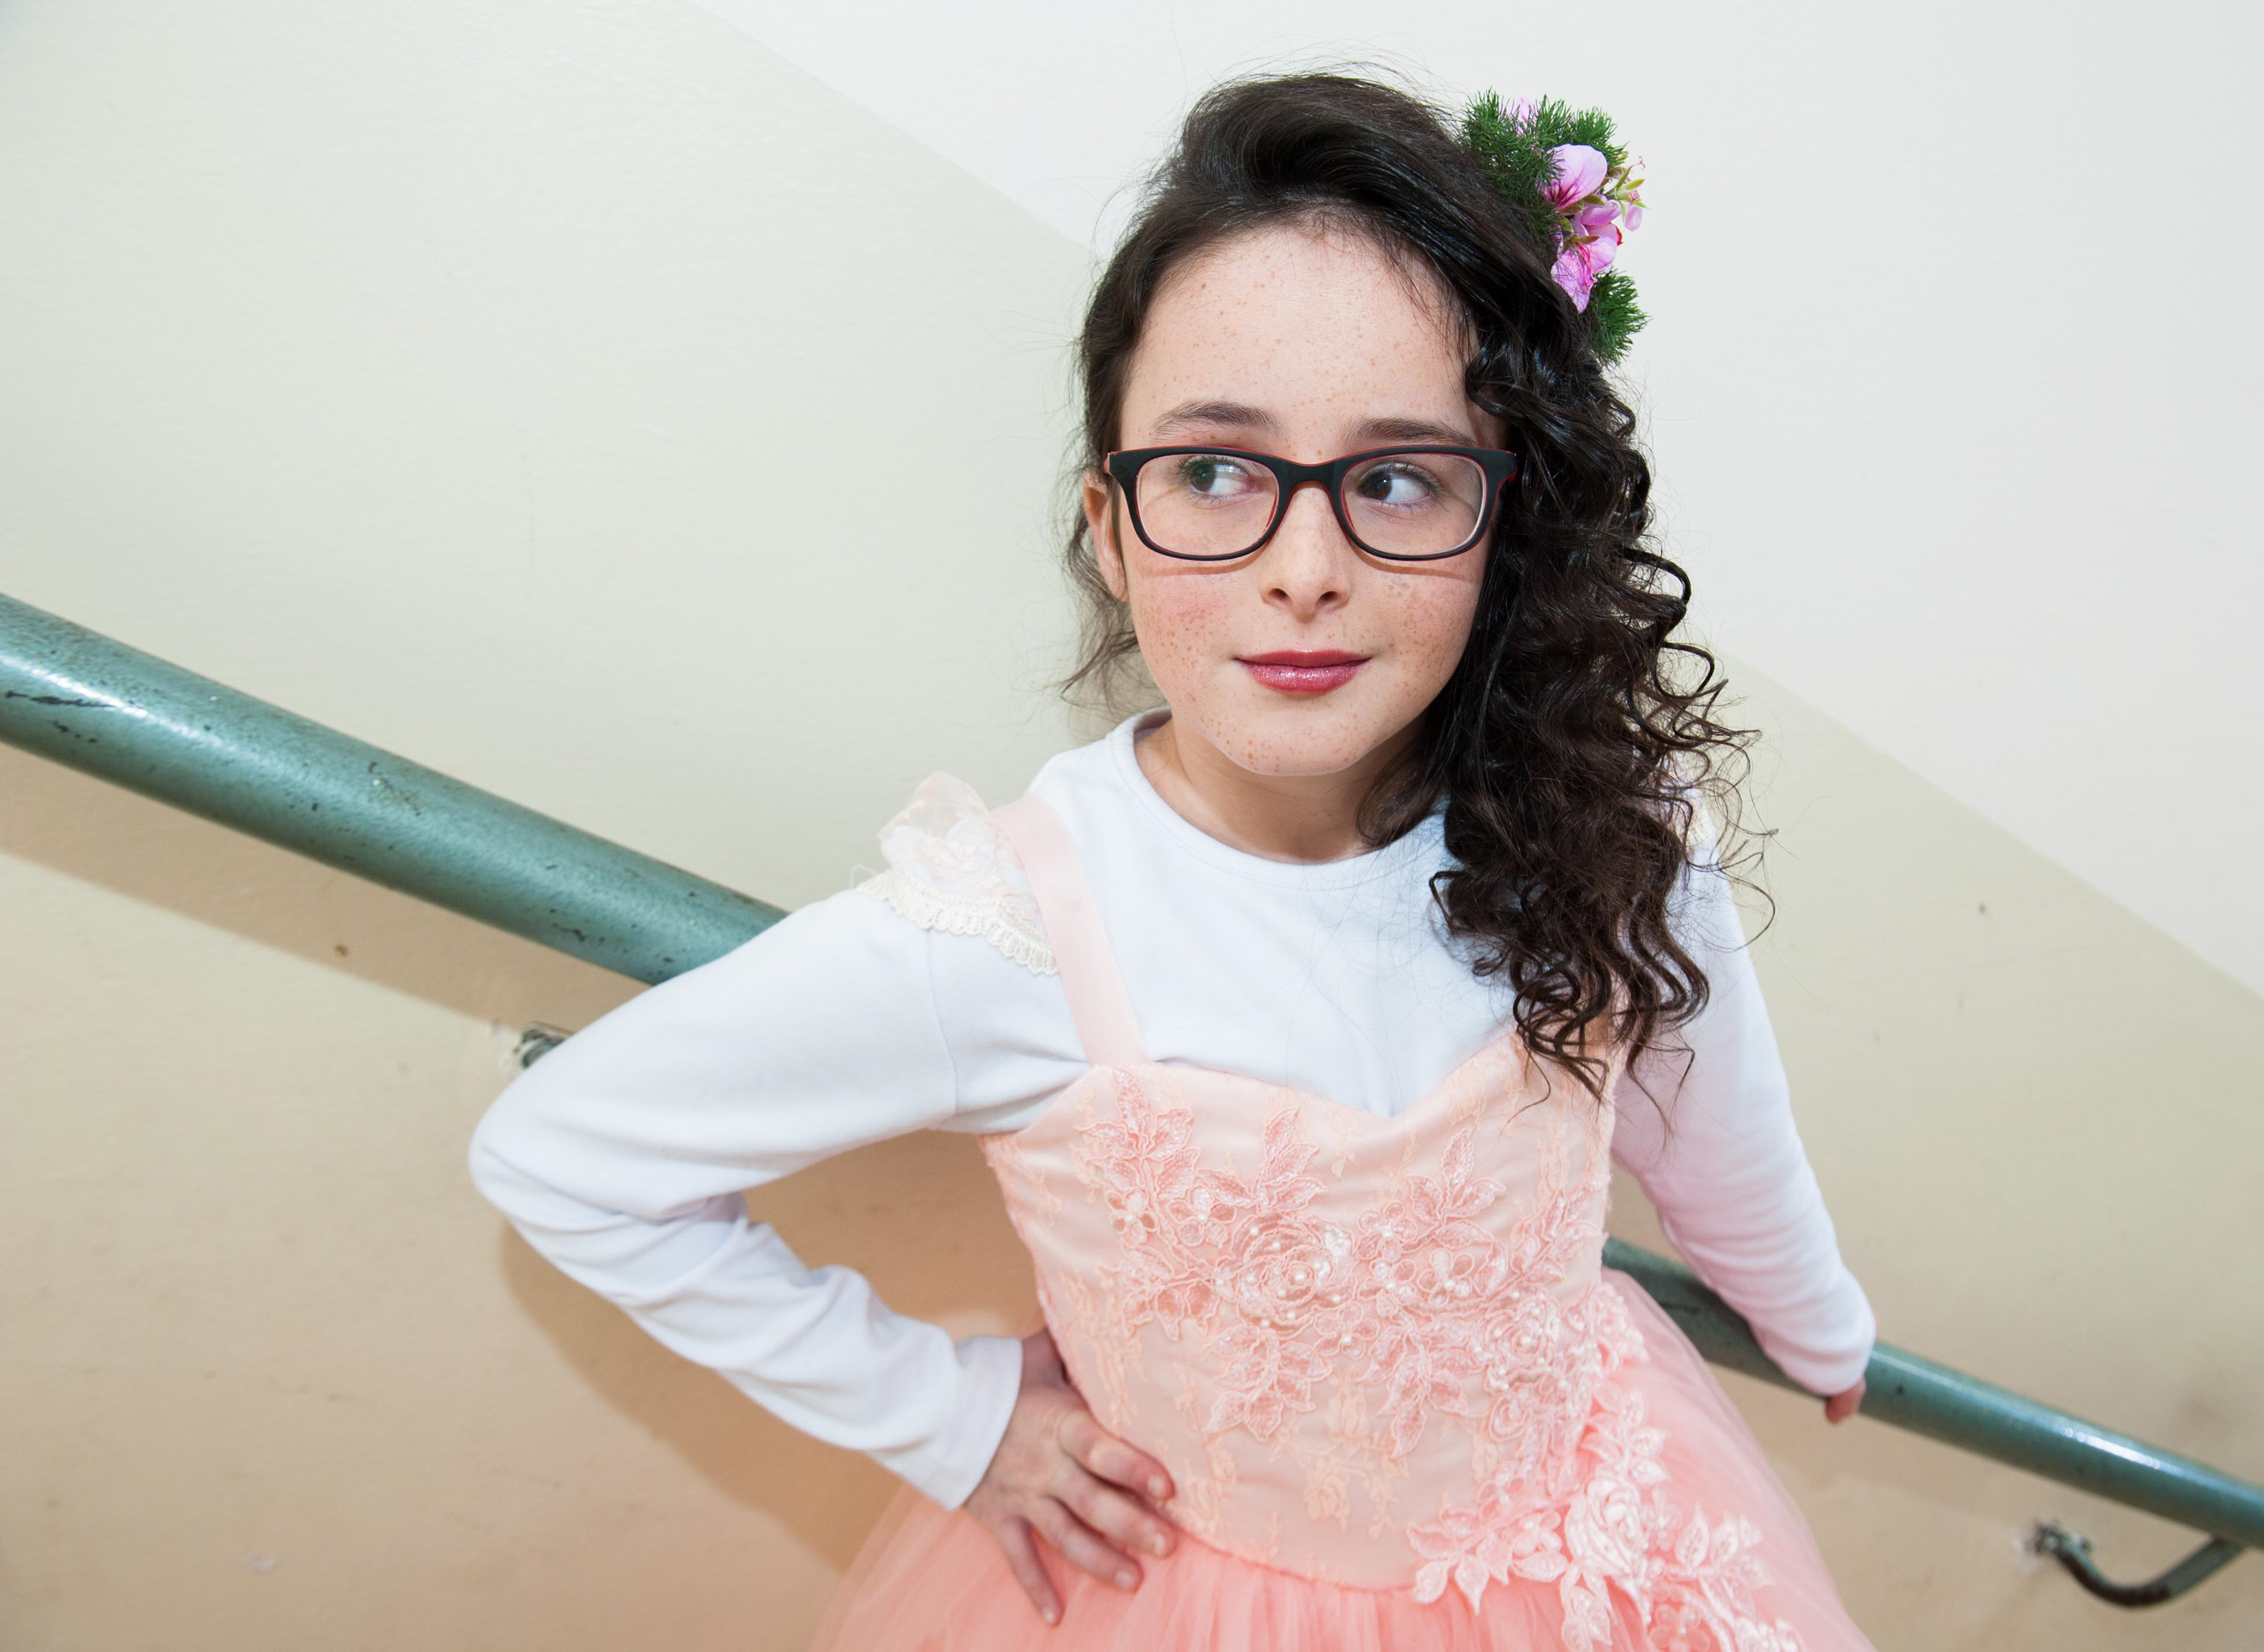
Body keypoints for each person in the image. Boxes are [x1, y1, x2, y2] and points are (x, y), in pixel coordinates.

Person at [470, 72, 1879, 1651]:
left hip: (1604, 1520)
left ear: (1504, 524)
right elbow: (567, 1156)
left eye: (1398, 478)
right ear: (1111, 522)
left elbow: (1718, 1129)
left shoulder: (1614, 827)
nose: (1305, 571)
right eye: (1216, 473)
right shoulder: (1005, 934)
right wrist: (950, 1419)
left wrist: (1820, 1326)